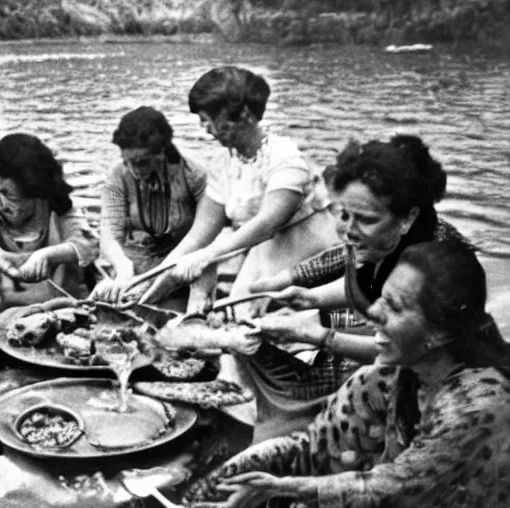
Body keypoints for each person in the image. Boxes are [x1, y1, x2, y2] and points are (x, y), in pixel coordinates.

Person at [183, 240, 510, 508]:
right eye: (380, 299)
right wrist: (242, 476)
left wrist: (282, 488)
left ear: (439, 333)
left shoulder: (480, 405)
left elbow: (397, 487)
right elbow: (316, 447)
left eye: (395, 307)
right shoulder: (386, 379)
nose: (374, 313)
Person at [136, 66, 339, 439]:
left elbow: (265, 223)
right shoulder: (225, 164)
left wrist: (210, 258)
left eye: (210, 120)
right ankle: (235, 393)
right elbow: (200, 232)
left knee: (280, 339)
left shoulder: (286, 158)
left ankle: (289, 416)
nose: (205, 129)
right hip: (261, 262)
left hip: (310, 263)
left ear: (242, 116)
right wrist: (150, 281)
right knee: (230, 325)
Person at [249, 135, 468, 362]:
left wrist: (317, 335)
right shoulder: (386, 238)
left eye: (367, 219)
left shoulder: (435, 263)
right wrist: (307, 296)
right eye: (346, 215)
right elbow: (346, 263)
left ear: (407, 217)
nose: (349, 231)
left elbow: (399, 351)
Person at [90, 106, 207, 310]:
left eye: (141, 162)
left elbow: (208, 231)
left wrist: (161, 275)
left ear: (162, 151)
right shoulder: (118, 175)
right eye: (128, 162)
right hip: (135, 261)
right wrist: (124, 270)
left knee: (167, 316)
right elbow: (109, 235)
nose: (134, 170)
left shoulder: (194, 174)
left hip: (181, 263)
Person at [0, 133, 98, 310]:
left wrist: (48, 255)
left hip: (62, 311)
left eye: (9, 194)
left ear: (34, 192)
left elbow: (88, 245)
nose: (1, 203)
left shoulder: (58, 211)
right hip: (7, 315)